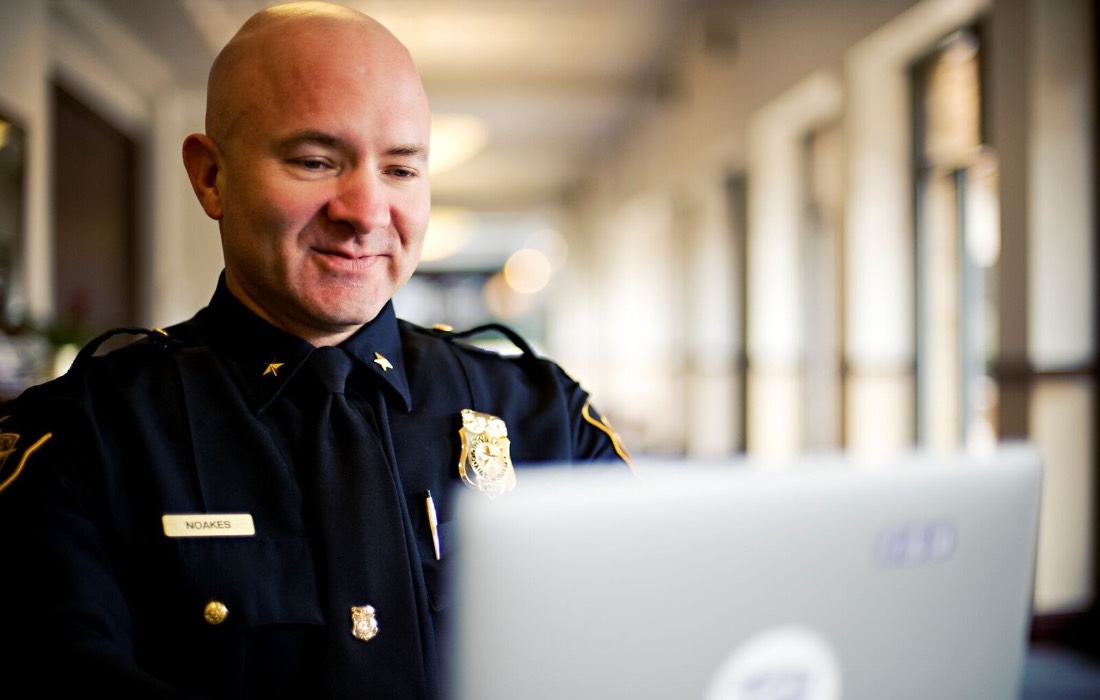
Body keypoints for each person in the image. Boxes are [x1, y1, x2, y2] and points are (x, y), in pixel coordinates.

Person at [0, 3, 631, 698]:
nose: (365, 211)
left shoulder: (547, 419)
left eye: (401, 170)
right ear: (211, 176)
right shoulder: (82, 441)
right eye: (314, 161)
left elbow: (655, 649)